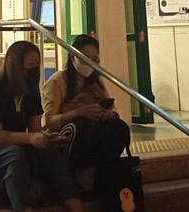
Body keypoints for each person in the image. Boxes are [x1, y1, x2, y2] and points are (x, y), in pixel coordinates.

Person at [0, 40, 83, 212]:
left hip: (14, 144)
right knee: (15, 155)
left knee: (50, 151)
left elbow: (35, 128)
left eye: (37, 66)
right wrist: (30, 138)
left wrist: (47, 137)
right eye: (30, 66)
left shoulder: (30, 92)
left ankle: (74, 204)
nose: (34, 71)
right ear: (16, 66)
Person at [43, 35, 130, 190]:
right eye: (84, 58)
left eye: (94, 59)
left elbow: (114, 110)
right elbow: (49, 121)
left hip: (96, 128)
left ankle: (103, 171)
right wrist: (78, 113)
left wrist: (108, 114)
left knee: (119, 127)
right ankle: (84, 174)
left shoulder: (96, 81)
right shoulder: (57, 81)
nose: (89, 64)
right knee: (85, 126)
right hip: (72, 132)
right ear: (73, 57)